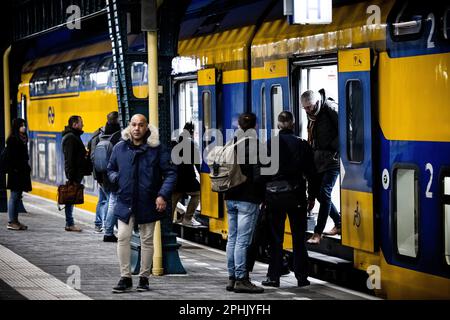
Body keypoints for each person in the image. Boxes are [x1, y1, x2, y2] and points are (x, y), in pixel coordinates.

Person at [107, 114, 177, 293]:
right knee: (123, 237)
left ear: (147, 128)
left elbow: (170, 173)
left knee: (147, 240)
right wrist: (117, 178)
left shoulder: (157, 149)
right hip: (125, 200)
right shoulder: (119, 148)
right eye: (134, 125)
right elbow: (110, 169)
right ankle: (125, 277)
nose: (137, 128)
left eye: (141, 125)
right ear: (129, 127)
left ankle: (144, 278)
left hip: (148, 201)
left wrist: (162, 195)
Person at [261, 111, 317, 288]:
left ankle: (274, 277)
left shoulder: (269, 145)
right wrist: (312, 197)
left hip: (274, 197)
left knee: (275, 238)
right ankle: (302, 277)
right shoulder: (301, 144)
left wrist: (263, 197)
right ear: (293, 124)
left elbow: (262, 172)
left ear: (278, 125)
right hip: (296, 196)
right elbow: (312, 173)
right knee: (299, 237)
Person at [224, 112, 264, 294]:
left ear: (239, 126)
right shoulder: (257, 146)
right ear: (255, 127)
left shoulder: (231, 143)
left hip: (230, 196)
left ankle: (232, 278)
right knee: (242, 240)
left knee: (232, 238)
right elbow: (259, 175)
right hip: (248, 198)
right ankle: (242, 279)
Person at [301, 90, 341, 245]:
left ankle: (318, 233)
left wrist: (331, 147)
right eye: (305, 108)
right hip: (318, 160)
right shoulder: (311, 113)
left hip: (332, 160)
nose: (308, 110)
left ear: (317, 102)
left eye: (310, 107)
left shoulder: (330, 108)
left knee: (324, 194)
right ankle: (338, 224)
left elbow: (347, 129)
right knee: (319, 195)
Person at [87, 111, 122, 238]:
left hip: (101, 174)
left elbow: (93, 157)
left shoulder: (99, 134)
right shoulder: (119, 135)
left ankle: (99, 224)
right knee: (111, 201)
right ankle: (108, 230)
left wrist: (98, 176)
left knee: (103, 200)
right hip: (112, 175)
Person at [61, 115, 91, 232]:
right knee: (70, 198)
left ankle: (70, 223)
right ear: (74, 124)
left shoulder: (73, 136)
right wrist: (71, 176)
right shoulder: (70, 138)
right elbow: (69, 158)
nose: (82, 125)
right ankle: (69, 223)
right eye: (81, 123)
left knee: (71, 198)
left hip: (75, 173)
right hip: (74, 174)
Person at [3, 118, 32, 230]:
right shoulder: (12, 140)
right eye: (22, 125)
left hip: (22, 172)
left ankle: (16, 221)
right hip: (15, 173)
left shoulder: (23, 138)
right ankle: (11, 221)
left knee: (17, 196)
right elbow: (12, 158)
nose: (24, 127)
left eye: (24, 125)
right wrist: (16, 169)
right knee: (14, 196)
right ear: (17, 126)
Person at [171, 122, 202, 226]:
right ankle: (187, 218)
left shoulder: (174, 142)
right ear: (192, 132)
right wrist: (201, 173)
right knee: (197, 193)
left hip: (175, 177)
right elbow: (197, 162)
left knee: (172, 200)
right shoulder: (192, 143)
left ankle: (168, 221)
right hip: (188, 177)